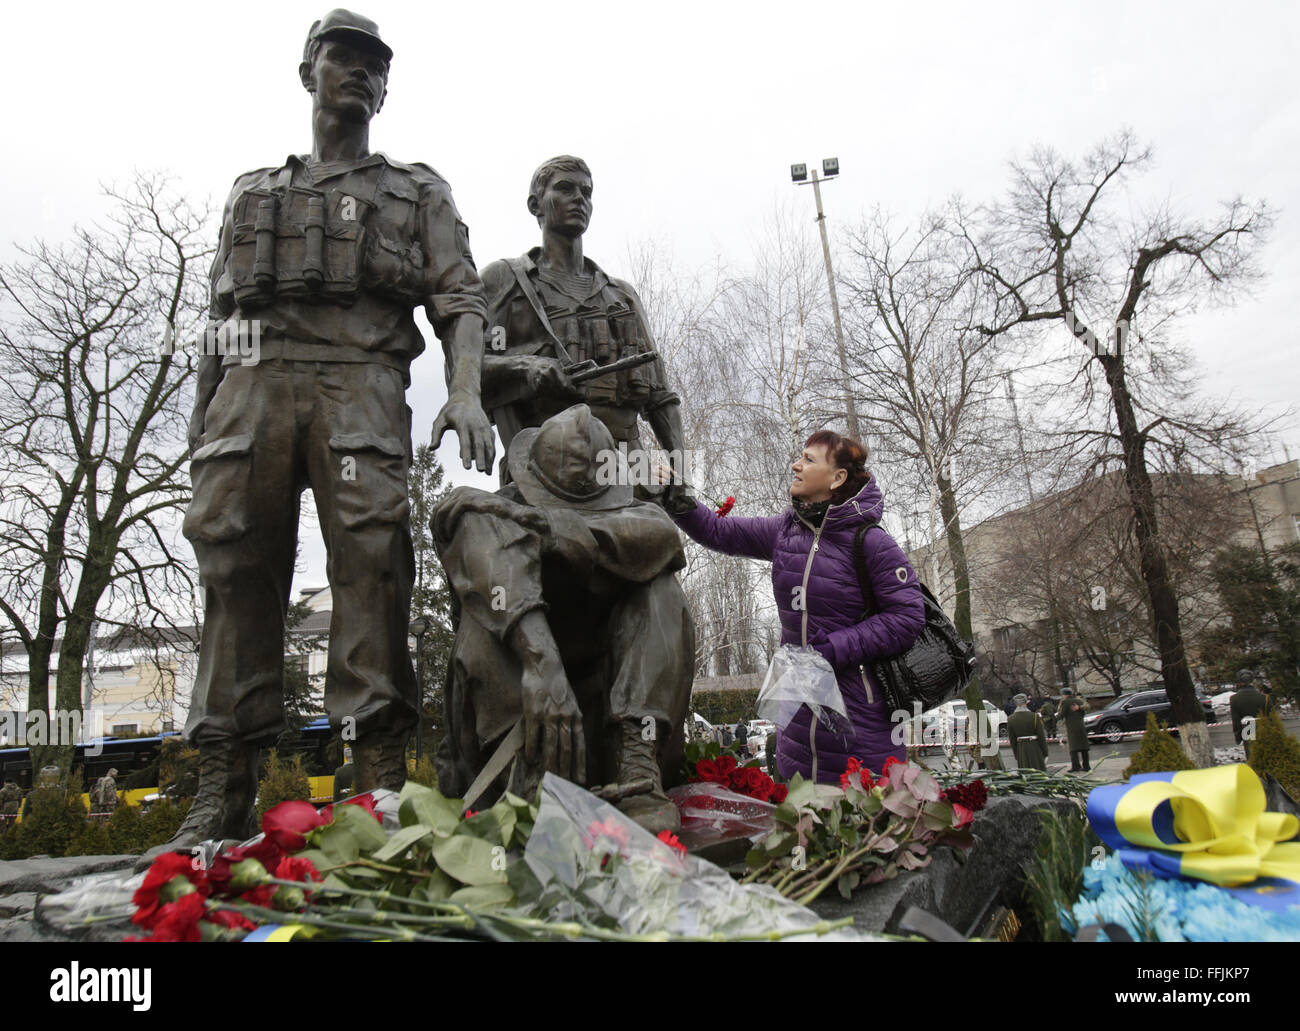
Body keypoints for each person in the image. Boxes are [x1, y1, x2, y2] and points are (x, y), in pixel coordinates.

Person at [168, 10, 495, 853]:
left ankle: (376, 780)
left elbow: (460, 298)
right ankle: (222, 785)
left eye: (372, 64)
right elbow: (218, 318)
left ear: (387, 88)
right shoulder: (253, 192)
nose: (356, 72)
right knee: (235, 570)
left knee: (371, 566)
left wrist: (466, 392)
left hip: (362, 384)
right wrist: (203, 420)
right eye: (340, 57)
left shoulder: (417, 190)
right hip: (253, 391)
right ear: (307, 71)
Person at [433, 404, 694, 833]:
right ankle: (524, 789)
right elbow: (467, 531)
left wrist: (561, 529)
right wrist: (543, 662)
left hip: (596, 724)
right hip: (518, 720)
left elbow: (663, 537)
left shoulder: (631, 518)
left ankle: (637, 767)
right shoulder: (489, 515)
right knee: (485, 620)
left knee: (661, 590)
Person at [664, 431, 925, 782]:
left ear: (837, 478)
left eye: (809, 459)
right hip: (797, 717)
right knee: (801, 821)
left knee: (859, 823)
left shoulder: (872, 542)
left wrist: (834, 649)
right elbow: (719, 531)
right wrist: (674, 493)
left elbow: (907, 617)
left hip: (860, 719)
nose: (795, 465)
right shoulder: (786, 530)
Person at [478, 155, 685, 475]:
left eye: (586, 192)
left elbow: (660, 397)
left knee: (654, 527)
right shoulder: (505, 282)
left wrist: (680, 470)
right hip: (546, 464)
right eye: (565, 189)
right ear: (535, 204)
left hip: (626, 466)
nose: (579, 199)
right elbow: (467, 369)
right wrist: (528, 367)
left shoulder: (622, 295)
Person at [1230, 671, 1271, 760]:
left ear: (1240, 682)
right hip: (1263, 727)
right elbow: (1270, 717)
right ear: (1252, 681)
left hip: (1247, 727)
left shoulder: (1234, 699)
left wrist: (1238, 737)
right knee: (1265, 755)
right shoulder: (1264, 698)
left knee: (1252, 756)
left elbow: (1236, 720)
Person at [1006, 695, 1048, 771]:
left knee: (1025, 772)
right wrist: (1045, 752)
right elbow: (1041, 736)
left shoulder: (1010, 719)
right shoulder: (1034, 716)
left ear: (1016, 704)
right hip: (1035, 747)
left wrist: (1016, 754)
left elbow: (1012, 739)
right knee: (1038, 771)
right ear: (1026, 702)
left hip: (1021, 749)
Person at [1060, 687, 1090, 772]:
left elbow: (1062, 714)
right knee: (1084, 747)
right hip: (1081, 725)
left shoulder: (1066, 702)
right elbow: (1086, 708)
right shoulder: (1079, 701)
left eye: (1063, 695)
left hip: (1071, 727)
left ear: (1065, 695)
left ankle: (1076, 766)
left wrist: (1054, 719)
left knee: (1073, 747)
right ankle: (1086, 766)